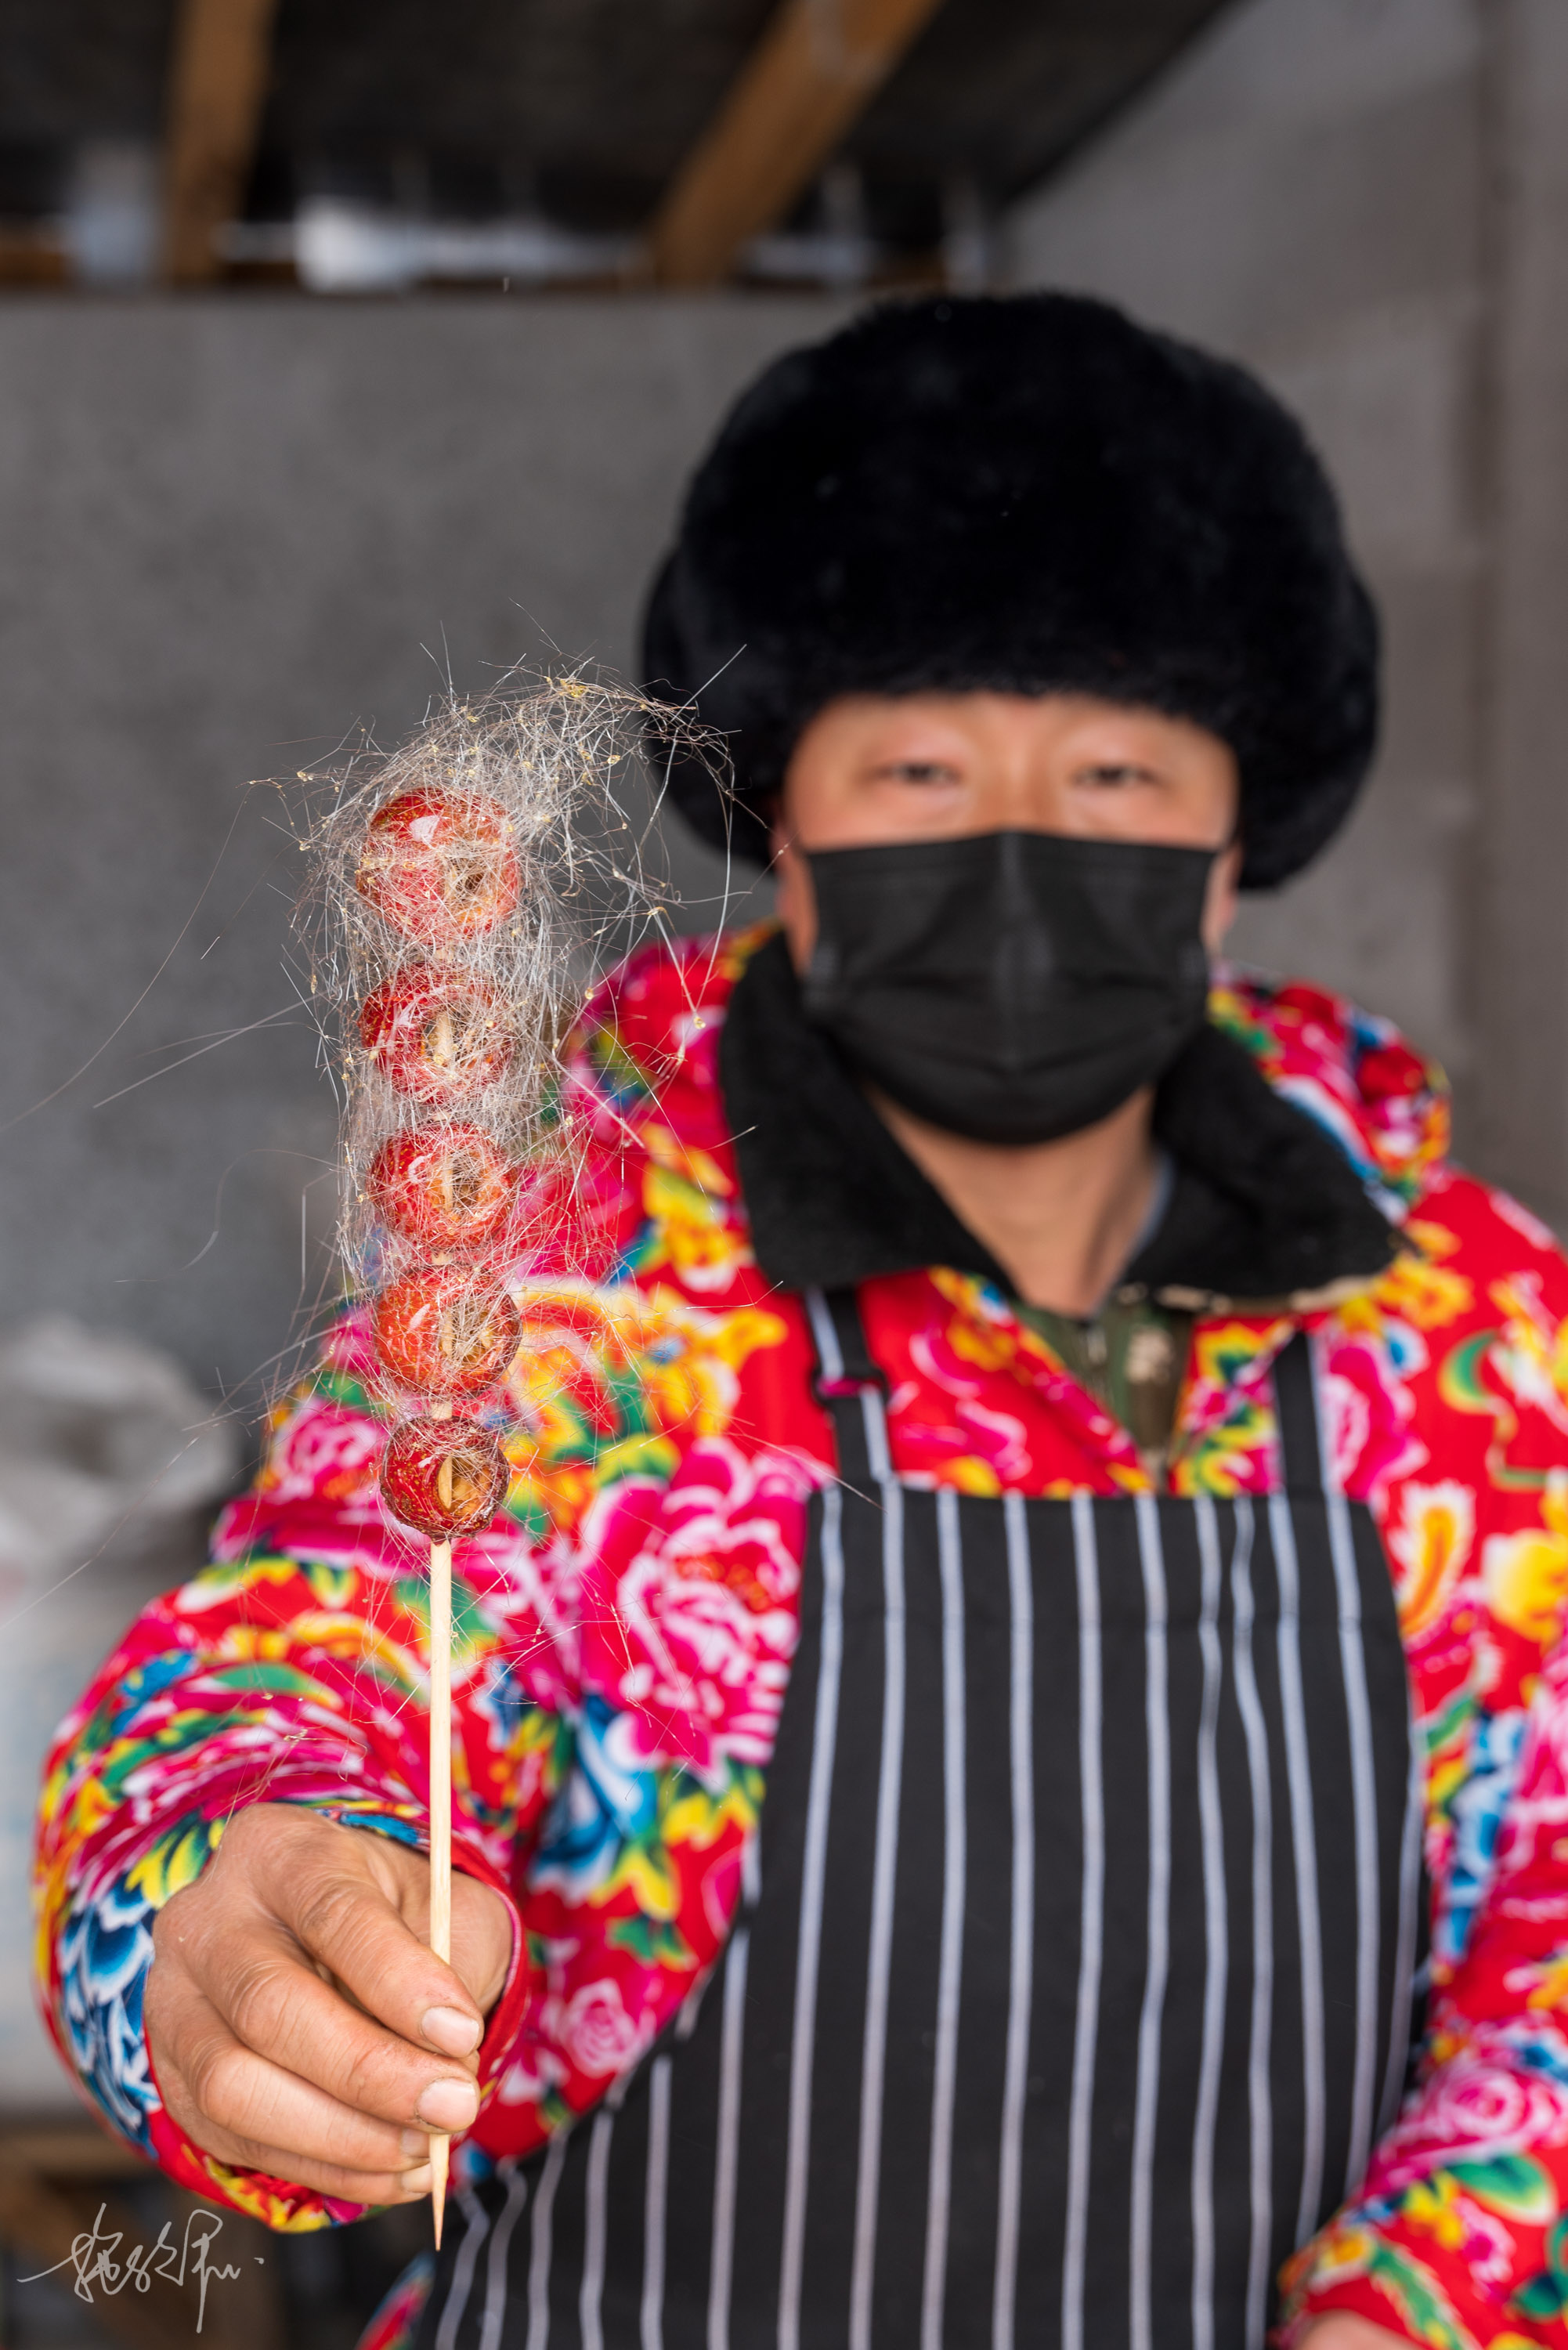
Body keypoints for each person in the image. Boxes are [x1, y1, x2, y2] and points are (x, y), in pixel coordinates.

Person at [34, 294, 1568, 2350]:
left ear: (1230, 849)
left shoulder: (1471, 1334)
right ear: (785, 818)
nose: (1018, 850)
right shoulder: (564, 1281)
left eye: (1116, 771)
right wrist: (233, 1907)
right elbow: (312, 1640)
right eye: (919, 766)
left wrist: (1424, 2306)